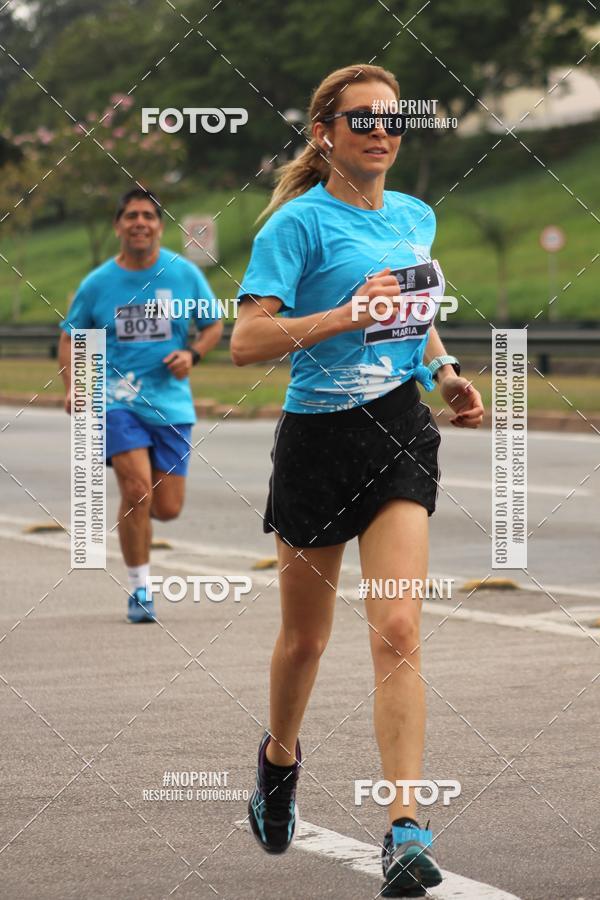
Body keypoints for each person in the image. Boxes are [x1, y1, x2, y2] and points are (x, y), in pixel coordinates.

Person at [231, 64, 484, 897]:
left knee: (399, 629)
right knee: (305, 640)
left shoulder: (415, 215)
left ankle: (404, 828)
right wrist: (346, 315)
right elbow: (246, 343)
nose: (381, 130)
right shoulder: (297, 227)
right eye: (362, 119)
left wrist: (444, 371)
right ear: (325, 134)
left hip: (399, 435)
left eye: (392, 119)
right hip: (317, 441)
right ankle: (278, 759)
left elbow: (417, 309)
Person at [59, 188, 223, 623]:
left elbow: (212, 325)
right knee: (136, 490)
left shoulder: (183, 274)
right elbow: (71, 336)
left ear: (159, 226)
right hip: (115, 400)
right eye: (131, 215)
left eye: (148, 216)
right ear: (118, 226)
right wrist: (76, 385)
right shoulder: (98, 284)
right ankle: (140, 589)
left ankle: (142, 568)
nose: (139, 222)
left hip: (169, 403)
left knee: (167, 507)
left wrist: (193, 355)